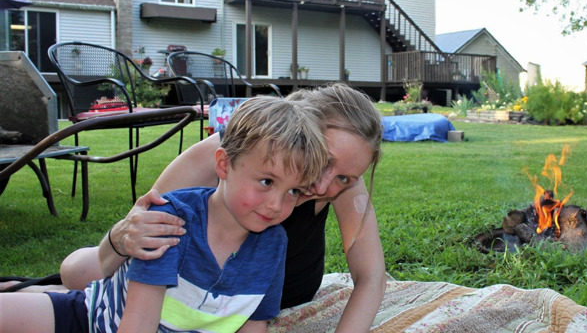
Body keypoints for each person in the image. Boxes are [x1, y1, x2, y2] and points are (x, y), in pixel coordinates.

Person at [58, 83, 387, 333]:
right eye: (324, 161)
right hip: (183, 292)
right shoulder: (223, 154)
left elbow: (371, 276)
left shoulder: (346, 181)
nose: (322, 187)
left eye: (344, 177)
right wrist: (118, 241)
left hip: (262, 306)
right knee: (77, 275)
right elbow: (142, 231)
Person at [0, 95, 329, 333]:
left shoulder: (273, 243)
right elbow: (138, 323)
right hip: (92, 316)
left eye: (293, 191)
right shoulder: (173, 220)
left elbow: (254, 324)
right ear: (224, 164)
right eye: (266, 181)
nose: (276, 204)